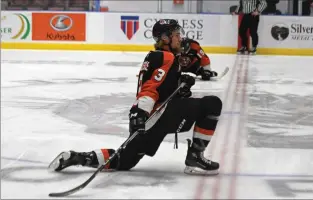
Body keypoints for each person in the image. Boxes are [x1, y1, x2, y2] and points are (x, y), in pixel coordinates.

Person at [49, 19, 222, 175]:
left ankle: (79, 157)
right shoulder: (167, 57)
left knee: (124, 161)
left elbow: (159, 87)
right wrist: (139, 112)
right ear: (165, 38)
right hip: (154, 115)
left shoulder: (159, 56)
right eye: (176, 35)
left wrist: (180, 88)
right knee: (212, 104)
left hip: (151, 117)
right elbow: (150, 88)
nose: (180, 38)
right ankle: (196, 155)